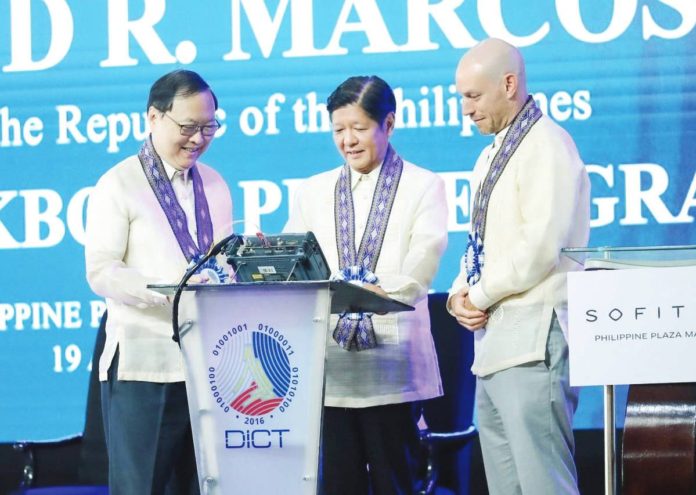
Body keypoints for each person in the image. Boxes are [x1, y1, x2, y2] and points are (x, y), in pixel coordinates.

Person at [284, 75, 448, 494]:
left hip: (393, 364)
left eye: (359, 128)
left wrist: (377, 293)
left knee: (396, 480)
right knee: (339, 482)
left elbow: (422, 261)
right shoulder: (312, 191)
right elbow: (297, 263)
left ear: (388, 124)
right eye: (338, 130)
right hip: (332, 366)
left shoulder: (423, 185)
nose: (348, 140)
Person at [448, 38, 590, 494]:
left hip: (534, 340)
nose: (466, 109)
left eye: (473, 96)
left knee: (544, 483)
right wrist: (457, 295)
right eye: (462, 98)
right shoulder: (491, 153)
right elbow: (480, 242)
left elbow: (539, 248)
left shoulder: (547, 143)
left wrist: (481, 294)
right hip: (495, 345)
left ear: (508, 84)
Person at [84, 69, 233, 495]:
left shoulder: (216, 184)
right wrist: (166, 290)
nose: (198, 138)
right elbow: (101, 269)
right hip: (144, 365)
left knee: (204, 486)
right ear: (153, 117)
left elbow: (219, 264)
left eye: (209, 127)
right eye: (188, 127)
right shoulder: (119, 184)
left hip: (209, 366)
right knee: (141, 486)